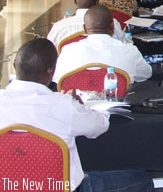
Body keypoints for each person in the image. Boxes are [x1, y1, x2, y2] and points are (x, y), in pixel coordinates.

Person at [0, 39, 154, 192]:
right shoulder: (63, 105)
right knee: (142, 179)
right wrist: (79, 106)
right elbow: (99, 126)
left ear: (14, 66)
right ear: (50, 70)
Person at [54, 6, 151, 84]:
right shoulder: (130, 51)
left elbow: (58, 80)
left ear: (85, 28)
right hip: (119, 105)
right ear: (112, 26)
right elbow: (146, 74)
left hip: (76, 106)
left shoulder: (68, 51)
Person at [47, 0, 126, 46]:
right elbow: (122, 43)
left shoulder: (58, 27)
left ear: (75, 1)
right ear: (97, 2)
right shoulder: (111, 23)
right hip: (106, 66)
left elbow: (50, 53)